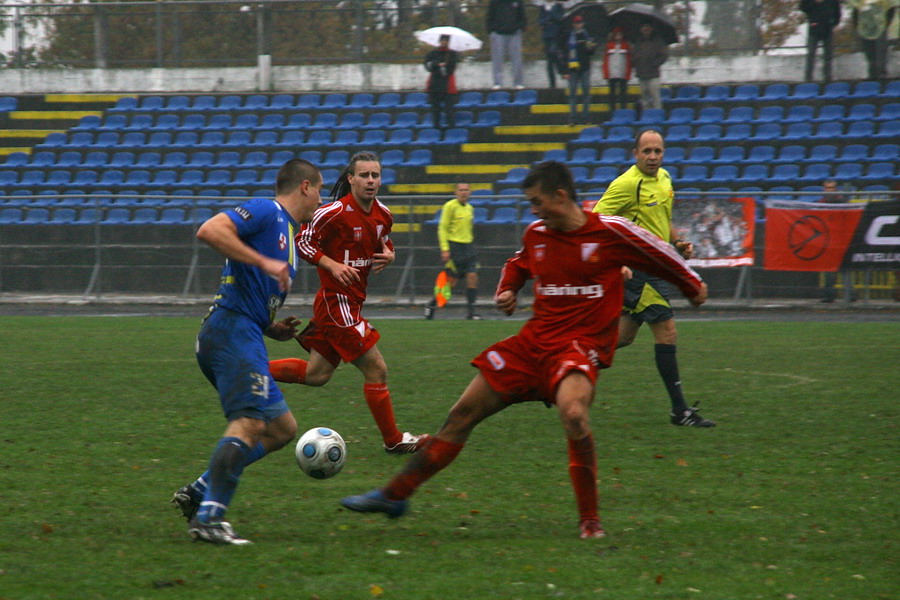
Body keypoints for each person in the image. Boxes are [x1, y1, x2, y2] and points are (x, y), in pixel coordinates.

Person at [339, 161, 707, 540]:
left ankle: (590, 522)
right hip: (531, 345)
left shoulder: (610, 232)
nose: (533, 210)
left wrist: (693, 286)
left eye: (537, 201)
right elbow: (518, 263)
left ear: (561, 196)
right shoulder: (538, 233)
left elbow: (660, 252)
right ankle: (394, 496)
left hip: (579, 347)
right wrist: (509, 288)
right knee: (461, 414)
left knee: (575, 413)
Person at [171, 158, 325, 545]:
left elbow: (251, 287)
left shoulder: (288, 232)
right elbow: (210, 229)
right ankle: (209, 518)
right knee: (251, 423)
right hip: (230, 331)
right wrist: (262, 260)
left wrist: (272, 327)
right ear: (304, 187)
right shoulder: (266, 209)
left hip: (245, 332)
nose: (321, 199)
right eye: (320, 190)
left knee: (281, 429)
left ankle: (200, 490)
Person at [268, 152, 428, 454]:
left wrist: (389, 253)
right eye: (364, 175)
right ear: (351, 178)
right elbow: (302, 241)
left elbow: (383, 239)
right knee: (377, 369)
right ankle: (393, 440)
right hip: (335, 303)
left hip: (352, 303)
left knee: (317, 375)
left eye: (375, 175)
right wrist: (331, 265)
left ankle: (253, 372)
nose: (371, 181)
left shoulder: (384, 214)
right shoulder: (334, 212)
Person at [592, 129, 715, 427]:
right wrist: (615, 261)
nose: (652, 156)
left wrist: (677, 242)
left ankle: (570, 365)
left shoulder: (664, 179)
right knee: (667, 331)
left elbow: (663, 219)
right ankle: (680, 411)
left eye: (657, 151)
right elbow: (595, 222)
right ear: (635, 154)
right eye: (646, 151)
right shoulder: (626, 184)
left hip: (658, 266)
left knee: (622, 337)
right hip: (641, 271)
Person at [424, 182, 481, 320]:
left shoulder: (470, 208)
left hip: (468, 247)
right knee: (451, 283)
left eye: (466, 190)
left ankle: (471, 312)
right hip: (454, 247)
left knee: (472, 276)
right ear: (456, 192)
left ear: (470, 192)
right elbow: (442, 228)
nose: (464, 192)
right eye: (461, 190)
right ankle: (431, 305)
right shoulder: (450, 206)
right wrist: (445, 249)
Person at [818, 179, 856, 303]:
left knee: (844, 270)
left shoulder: (842, 202)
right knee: (829, 271)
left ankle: (850, 295)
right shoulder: (821, 202)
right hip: (828, 242)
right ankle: (829, 295)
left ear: (836, 189)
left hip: (842, 241)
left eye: (831, 188)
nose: (828, 190)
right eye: (826, 188)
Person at [560, 15, 597, 125]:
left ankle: (585, 117)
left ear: (583, 23)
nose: (578, 25)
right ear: (573, 24)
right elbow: (565, 54)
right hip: (573, 68)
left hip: (585, 68)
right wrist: (565, 70)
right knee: (572, 95)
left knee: (586, 94)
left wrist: (592, 47)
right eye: (576, 23)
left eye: (580, 22)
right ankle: (573, 118)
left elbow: (590, 53)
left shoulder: (587, 36)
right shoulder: (569, 36)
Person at [847, 0, 897, 80]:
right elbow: (856, 13)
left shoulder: (884, 2)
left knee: (880, 54)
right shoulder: (861, 2)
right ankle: (872, 76)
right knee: (869, 55)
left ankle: (882, 76)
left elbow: (891, 10)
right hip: (865, 31)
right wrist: (858, 27)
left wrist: (884, 25)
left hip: (880, 30)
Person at [487, 0, 527, 90]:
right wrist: (492, 31)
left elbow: (522, 16)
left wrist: (520, 27)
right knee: (497, 59)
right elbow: (489, 17)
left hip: (514, 33)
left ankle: (518, 83)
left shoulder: (518, 1)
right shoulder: (494, 2)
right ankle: (497, 83)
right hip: (498, 33)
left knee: (517, 58)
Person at [800, 0, 842, 83]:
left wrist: (834, 23)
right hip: (814, 28)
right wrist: (814, 3)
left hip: (827, 29)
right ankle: (808, 78)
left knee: (828, 55)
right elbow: (803, 7)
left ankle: (828, 77)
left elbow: (837, 12)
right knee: (811, 54)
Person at [424, 34, 459, 131]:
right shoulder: (433, 53)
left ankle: (451, 128)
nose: (444, 42)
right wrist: (436, 64)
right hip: (435, 85)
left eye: (446, 40)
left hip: (447, 85)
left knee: (449, 109)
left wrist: (445, 67)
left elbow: (452, 68)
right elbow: (427, 65)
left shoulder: (452, 54)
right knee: (435, 109)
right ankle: (436, 127)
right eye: (443, 40)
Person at [631, 22, 668, 112]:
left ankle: (658, 114)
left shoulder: (658, 41)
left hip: (653, 74)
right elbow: (634, 56)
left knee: (655, 95)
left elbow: (664, 56)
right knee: (644, 97)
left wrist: (654, 64)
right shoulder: (638, 42)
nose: (645, 29)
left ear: (651, 29)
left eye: (647, 27)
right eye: (644, 27)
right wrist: (635, 62)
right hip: (641, 73)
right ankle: (646, 116)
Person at [602, 27, 632, 112]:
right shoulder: (609, 45)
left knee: (623, 94)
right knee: (612, 95)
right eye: (617, 34)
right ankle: (612, 112)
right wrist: (606, 73)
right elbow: (605, 60)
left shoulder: (626, 45)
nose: (618, 36)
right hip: (612, 73)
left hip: (623, 73)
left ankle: (623, 111)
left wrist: (628, 73)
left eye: (620, 34)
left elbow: (629, 61)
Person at [537, 0, 565, 88]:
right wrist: (549, 18)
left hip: (557, 35)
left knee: (556, 55)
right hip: (547, 36)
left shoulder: (559, 5)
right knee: (549, 61)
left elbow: (560, 18)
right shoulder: (543, 7)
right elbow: (540, 21)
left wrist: (550, 17)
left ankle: (562, 72)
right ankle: (552, 84)